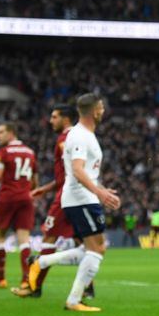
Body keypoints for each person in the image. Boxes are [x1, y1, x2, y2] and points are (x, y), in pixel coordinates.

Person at [29, 93, 121, 311]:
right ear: (94, 111)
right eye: (101, 108)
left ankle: (41, 263)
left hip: (83, 197)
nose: (103, 111)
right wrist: (98, 192)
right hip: (80, 198)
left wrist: (99, 188)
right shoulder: (79, 135)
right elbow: (78, 170)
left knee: (94, 249)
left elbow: (82, 170)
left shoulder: (86, 134)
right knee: (97, 249)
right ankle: (73, 299)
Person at [11, 104, 95, 298]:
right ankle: (88, 288)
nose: (51, 121)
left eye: (54, 117)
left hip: (67, 196)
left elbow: (72, 171)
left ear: (66, 119)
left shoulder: (66, 139)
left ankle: (35, 287)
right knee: (84, 242)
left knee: (49, 238)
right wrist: (45, 188)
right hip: (79, 195)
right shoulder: (78, 136)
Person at [0, 122, 38, 289]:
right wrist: (27, 191)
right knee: (24, 240)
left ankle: (1, 279)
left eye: (1, 132)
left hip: (7, 198)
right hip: (26, 198)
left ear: (11, 133)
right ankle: (26, 280)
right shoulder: (30, 153)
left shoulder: (3, 152)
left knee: (0, 238)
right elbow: (35, 181)